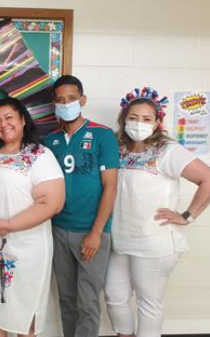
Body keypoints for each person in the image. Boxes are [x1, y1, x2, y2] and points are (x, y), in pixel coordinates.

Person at [104, 87, 210, 337]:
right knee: (114, 296)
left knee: (148, 303)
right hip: (121, 240)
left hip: (154, 242)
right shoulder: (118, 149)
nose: (138, 123)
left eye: (146, 118)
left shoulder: (168, 151)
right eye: (133, 117)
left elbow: (207, 178)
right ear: (124, 119)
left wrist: (186, 216)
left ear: (157, 122)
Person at [0, 97, 65, 337]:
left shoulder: (40, 155)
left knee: (24, 304)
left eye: (9, 118)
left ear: (22, 120)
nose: (3, 124)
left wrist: (8, 225)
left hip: (25, 245)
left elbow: (53, 202)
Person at [42, 75, 119, 337]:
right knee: (66, 299)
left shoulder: (103, 135)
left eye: (72, 98)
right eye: (60, 100)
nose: (66, 104)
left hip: (91, 231)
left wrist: (97, 232)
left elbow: (110, 186)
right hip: (58, 229)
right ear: (54, 104)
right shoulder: (49, 140)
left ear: (82, 100)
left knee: (87, 302)